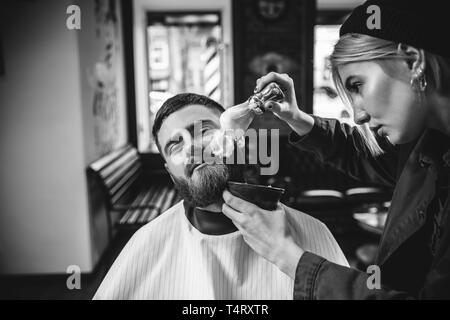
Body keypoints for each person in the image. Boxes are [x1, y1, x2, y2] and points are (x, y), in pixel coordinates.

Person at [221, 0, 450, 299]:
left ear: (412, 60)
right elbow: (362, 152)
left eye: (357, 85)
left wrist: (288, 256)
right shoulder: (428, 149)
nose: (358, 116)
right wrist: (295, 117)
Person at [93, 93, 348, 300]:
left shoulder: (313, 232)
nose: (193, 147)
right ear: (171, 172)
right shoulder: (146, 244)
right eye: (175, 144)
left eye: (204, 130)